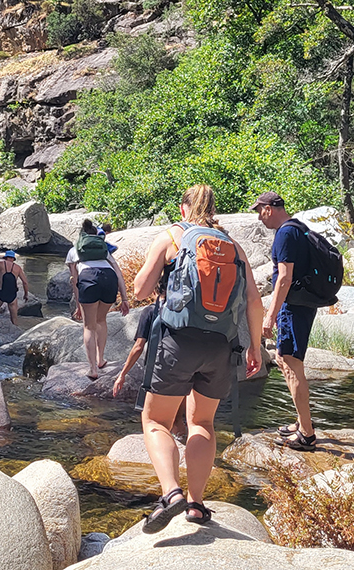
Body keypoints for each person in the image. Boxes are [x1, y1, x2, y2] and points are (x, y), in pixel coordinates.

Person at [131, 184, 264, 532]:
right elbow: (253, 301)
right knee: (202, 423)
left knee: (156, 421)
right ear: (214, 208)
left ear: (183, 208)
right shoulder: (233, 246)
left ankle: (171, 493)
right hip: (221, 345)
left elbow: (140, 290)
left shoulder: (173, 236)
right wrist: (255, 347)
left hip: (178, 341)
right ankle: (196, 505)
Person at [254, 191, 318, 452]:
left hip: (294, 307)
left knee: (291, 365)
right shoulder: (299, 228)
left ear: (269, 208)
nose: (259, 217)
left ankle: (307, 434)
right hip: (303, 305)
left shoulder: (284, 233)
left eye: (259, 211)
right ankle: (301, 421)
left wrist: (270, 314)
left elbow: (284, 278)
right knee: (285, 360)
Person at [68, 219, 130, 379]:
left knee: (89, 326)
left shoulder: (74, 250)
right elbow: (118, 273)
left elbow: (75, 281)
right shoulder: (104, 251)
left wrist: (78, 305)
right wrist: (125, 298)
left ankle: (92, 369)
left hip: (88, 278)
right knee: (101, 320)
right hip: (109, 279)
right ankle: (101, 359)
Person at [0, 250, 28, 326]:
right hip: (12, 295)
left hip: (1, 294)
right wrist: (26, 294)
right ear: (13, 259)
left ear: (5, 257)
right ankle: (15, 334)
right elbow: (25, 283)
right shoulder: (18, 268)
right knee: (14, 318)